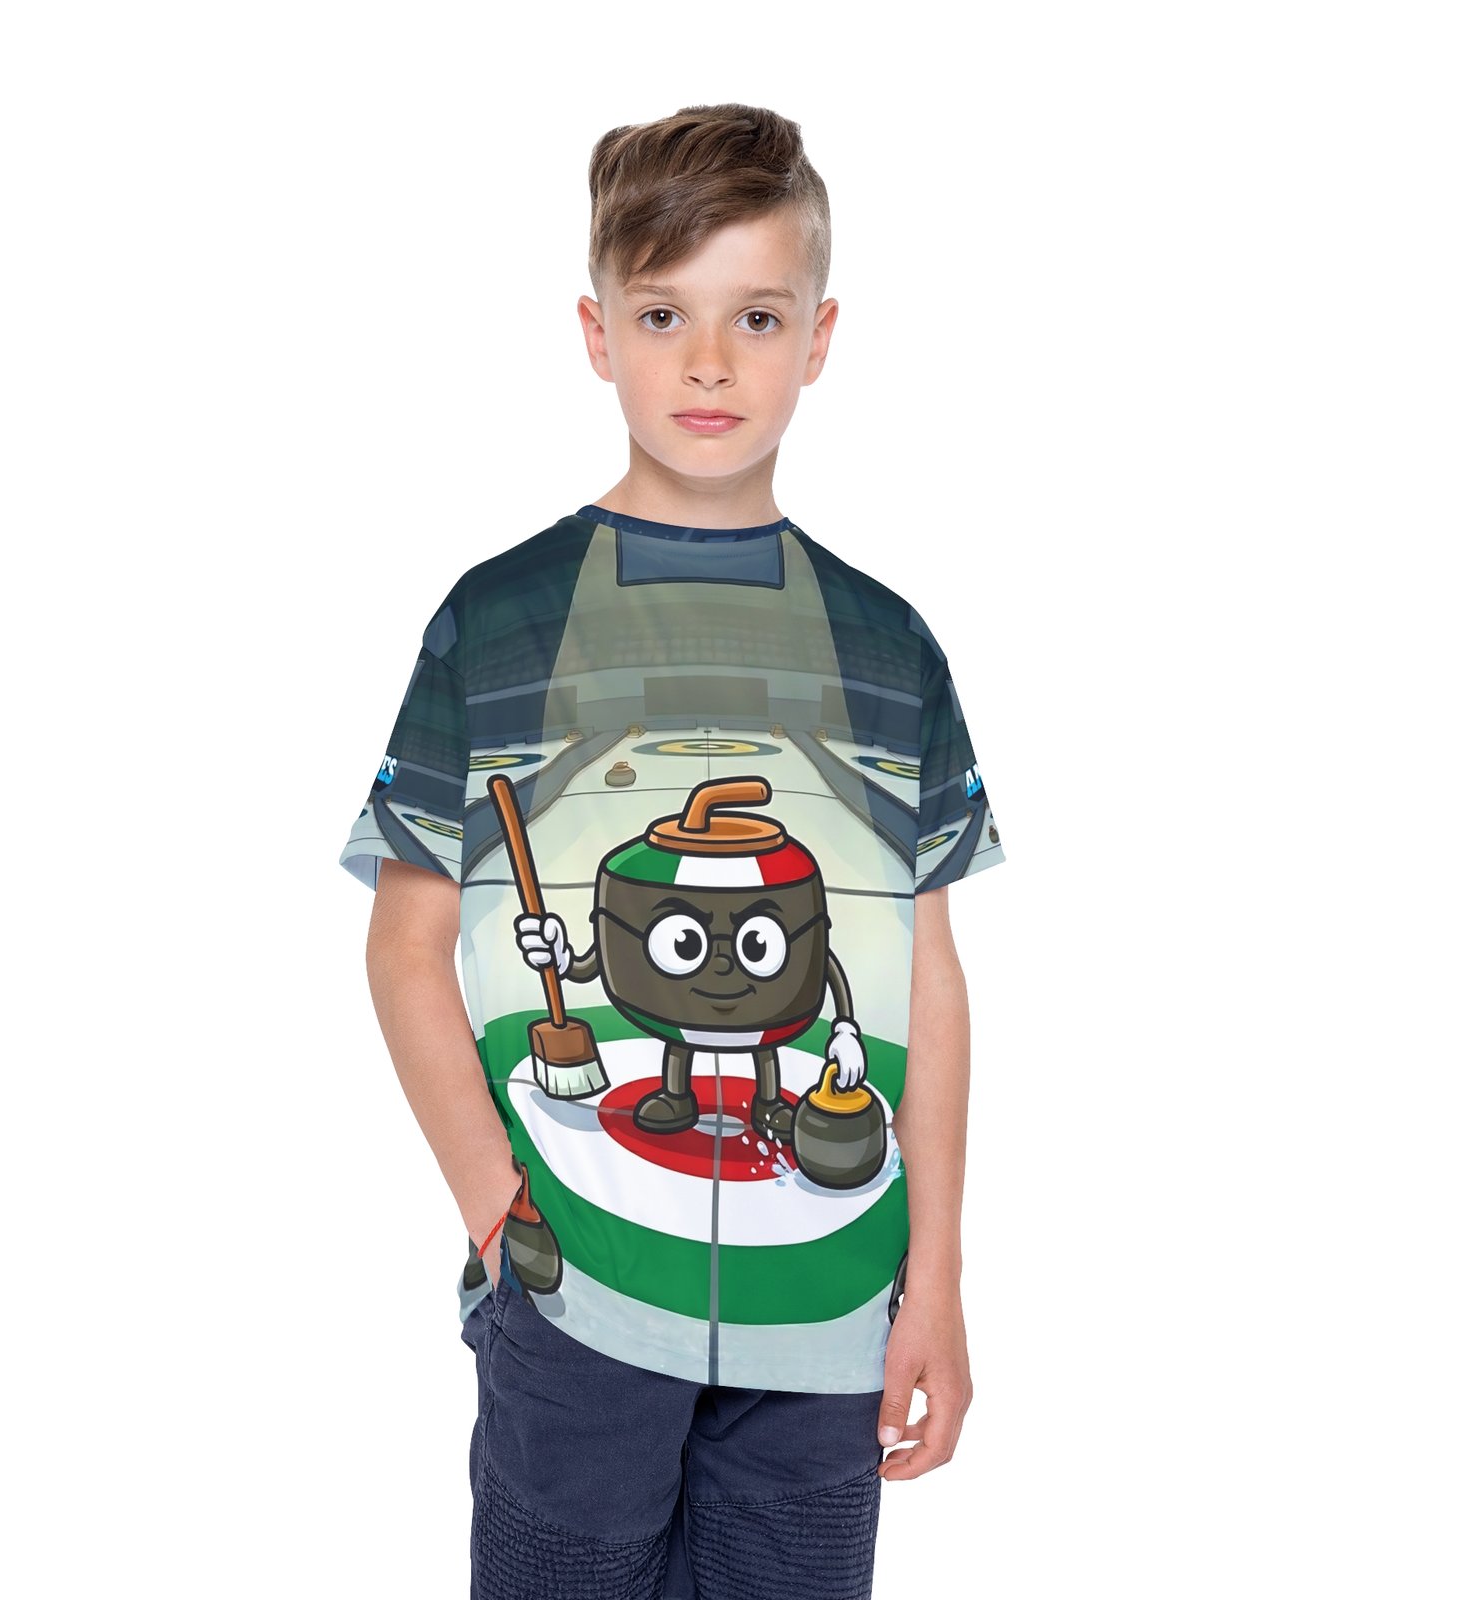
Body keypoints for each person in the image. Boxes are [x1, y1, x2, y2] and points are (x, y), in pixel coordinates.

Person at [337, 102, 1008, 1600]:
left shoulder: (888, 645)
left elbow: (929, 974)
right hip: (576, 1307)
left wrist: (939, 1279)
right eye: (662, 315)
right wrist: (496, 1207)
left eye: (755, 316)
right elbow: (404, 941)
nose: (709, 363)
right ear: (597, 333)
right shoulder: (499, 620)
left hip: (828, 1317)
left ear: (819, 338)